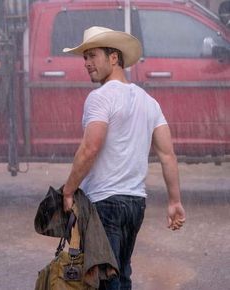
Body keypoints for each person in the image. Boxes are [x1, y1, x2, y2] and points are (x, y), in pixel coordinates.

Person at [62, 26, 186, 290]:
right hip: (135, 204)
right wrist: (174, 201)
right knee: (122, 274)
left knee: (108, 280)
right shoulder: (149, 102)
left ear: (114, 58)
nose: (86, 63)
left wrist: (68, 190)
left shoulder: (100, 98)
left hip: (105, 203)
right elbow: (167, 155)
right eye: (84, 57)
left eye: (92, 55)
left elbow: (90, 148)